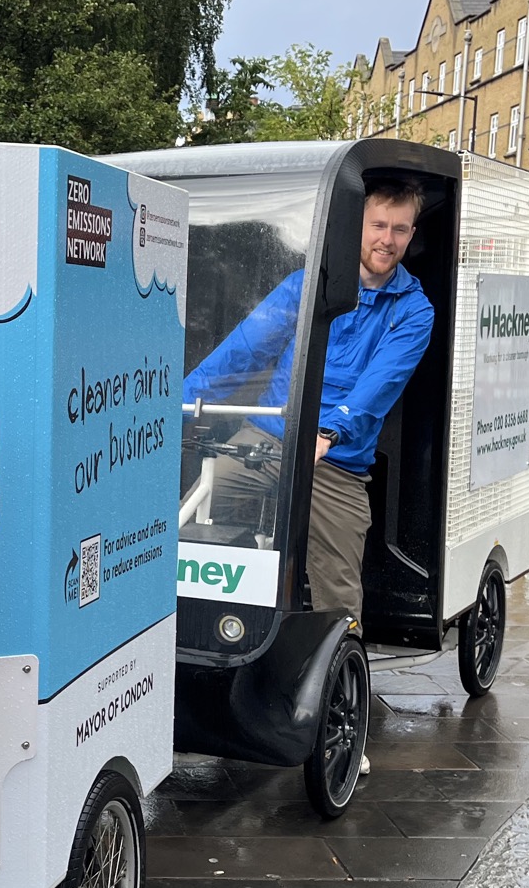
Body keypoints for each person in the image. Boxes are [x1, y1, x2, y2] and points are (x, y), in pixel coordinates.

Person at [181, 178, 435, 625]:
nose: (387, 239)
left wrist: (330, 432)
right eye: (378, 225)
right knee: (186, 519)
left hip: (335, 461)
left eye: (400, 229)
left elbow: (379, 385)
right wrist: (179, 404)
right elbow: (244, 350)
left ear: (411, 234)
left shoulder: (413, 311)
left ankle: (341, 662)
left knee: (338, 595)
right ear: (356, 227)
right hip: (269, 440)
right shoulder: (305, 286)